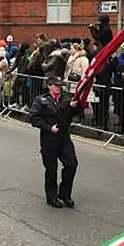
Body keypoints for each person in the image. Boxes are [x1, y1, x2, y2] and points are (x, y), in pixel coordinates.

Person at [29, 76, 81, 209]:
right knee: (51, 169)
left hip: (64, 136)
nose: (58, 87)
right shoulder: (41, 100)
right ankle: (51, 196)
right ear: (49, 85)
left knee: (71, 164)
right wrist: (48, 127)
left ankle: (64, 194)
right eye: (56, 85)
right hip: (49, 138)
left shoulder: (66, 99)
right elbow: (34, 118)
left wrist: (75, 106)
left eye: (60, 85)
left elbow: (74, 114)